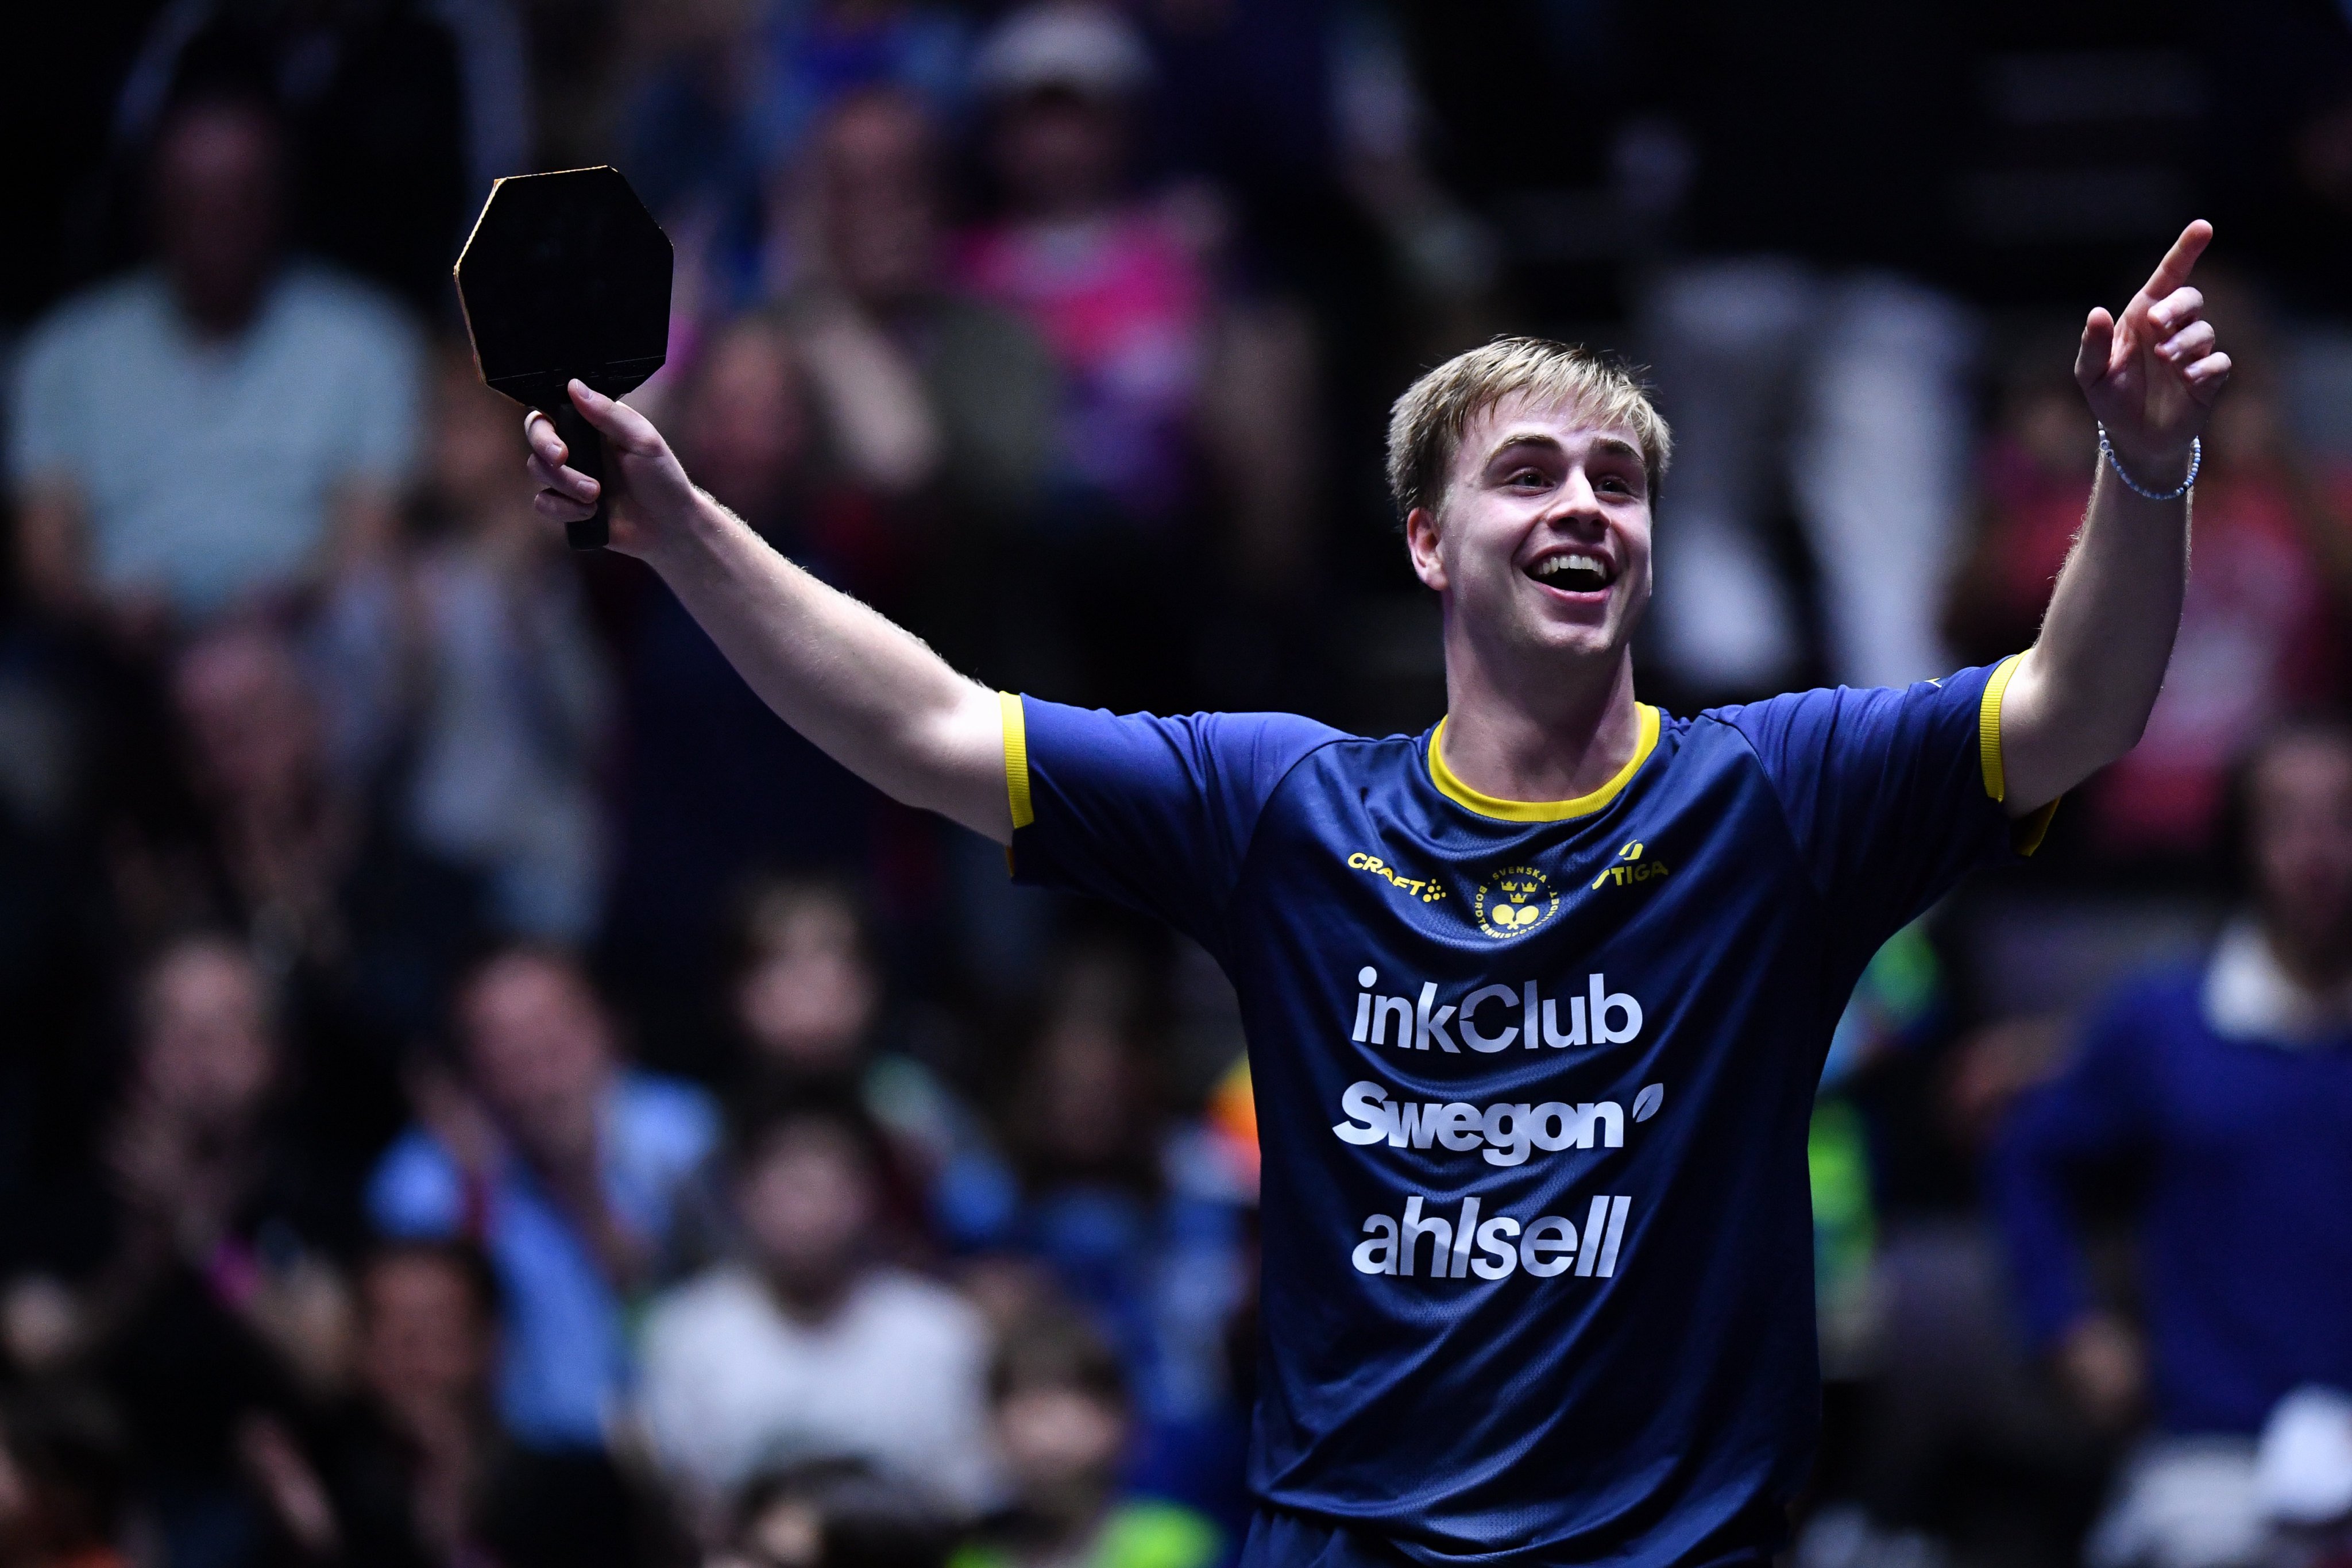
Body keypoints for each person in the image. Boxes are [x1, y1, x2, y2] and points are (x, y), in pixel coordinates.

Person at [518, 218, 2231, 1564]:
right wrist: (679, 532)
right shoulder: (1283, 807)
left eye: (1619, 480)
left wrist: (2142, 468)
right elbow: (927, 726)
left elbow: (2073, 709)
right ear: (1428, 541)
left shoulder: (1778, 795)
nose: (1587, 505)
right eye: (1533, 472)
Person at [1991, 723, 2352, 1568]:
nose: (2316, 851)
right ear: (2242, 843)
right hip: (2213, 1453)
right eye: (2285, 820)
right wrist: (2065, 1325)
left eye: (2342, 817)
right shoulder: (2165, 1023)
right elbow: (2027, 1156)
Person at [8, 90, 422, 631]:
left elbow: (369, 540)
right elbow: (44, 555)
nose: (216, 218)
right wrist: (105, 611)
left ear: (279, 201)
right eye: (194, 196)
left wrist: (288, 606)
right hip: (107, 647)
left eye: (239, 194)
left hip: (307, 639)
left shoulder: (367, 341)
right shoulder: (64, 351)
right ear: (153, 204)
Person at [367, 946, 720, 1452]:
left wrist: (585, 1188)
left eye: (554, 1032)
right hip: (516, 1463)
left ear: (608, 1028)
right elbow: (424, 1357)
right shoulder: (424, 1183)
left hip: (689, 1442)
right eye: (506, 1045)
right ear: (470, 1067)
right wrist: (478, 1195)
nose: (538, 1065)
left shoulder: (690, 1137)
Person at [636, 1104, 996, 1524]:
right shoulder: (684, 1331)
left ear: (867, 1200)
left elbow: (963, 1497)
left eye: (824, 1189)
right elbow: (684, 1503)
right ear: (743, 1198)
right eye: (788, 1190)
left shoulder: (942, 1330)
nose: (805, 1214)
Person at [951, 1312, 1221, 1568]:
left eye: (1063, 1401)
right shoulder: (972, 1555)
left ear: (1120, 1421)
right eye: (1023, 1402)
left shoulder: (1176, 1545)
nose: (1042, 1433)